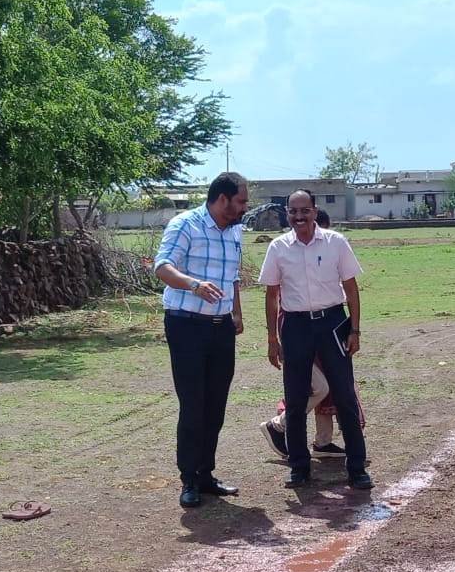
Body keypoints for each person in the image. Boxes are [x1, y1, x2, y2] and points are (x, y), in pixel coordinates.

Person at [258, 189, 372, 489]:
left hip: (333, 323)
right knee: (295, 400)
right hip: (295, 326)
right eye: (293, 211)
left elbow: (351, 287)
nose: (299, 217)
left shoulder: (336, 242)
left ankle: (357, 467)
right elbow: (271, 296)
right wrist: (272, 338)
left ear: (314, 210)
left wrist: (355, 330)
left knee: (345, 396)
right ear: (287, 213)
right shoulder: (278, 247)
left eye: (304, 210)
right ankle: (299, 467)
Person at [153, 171, 250, 508]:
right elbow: (162, 268)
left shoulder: (235, 230)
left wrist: (236, 312)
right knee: (193, 404)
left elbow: (233, 276)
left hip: (221, 328)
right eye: (240, 201)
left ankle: (206, 474)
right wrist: (195, 285)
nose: (243, 208)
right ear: (222, 198)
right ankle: (189, 479)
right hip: (186, 325)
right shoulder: (186, 224)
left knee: (216, 405)